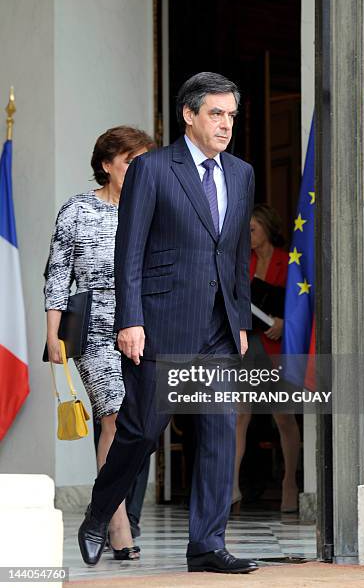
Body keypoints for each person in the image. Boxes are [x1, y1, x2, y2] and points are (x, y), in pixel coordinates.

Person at [78, 72, 259, 574]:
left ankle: (206, 544)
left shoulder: (241, 173)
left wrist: (239, 317)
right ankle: (98, 514)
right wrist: (129, 319)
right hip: (162, 320)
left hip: (220, 326)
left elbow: (238, 251)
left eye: (231, 116)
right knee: (140, 431)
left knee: (220, 432)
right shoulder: (154, 169)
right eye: (216, 114)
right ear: (189, 114)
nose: (225, 125)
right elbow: (128, 250)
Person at [45, 126, 155, 560]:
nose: (138, 169)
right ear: (107, 164)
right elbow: (58, 273)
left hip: (144, 323)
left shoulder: (152, 209)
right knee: (112, 417)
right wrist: (52, 334)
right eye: (131, 160)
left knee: (141, 423)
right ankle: (117, 527)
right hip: (93, 323)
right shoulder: (76, 209)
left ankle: (108, 512)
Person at [232, 204, 301, 513]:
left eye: (252, 229)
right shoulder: (241, 263)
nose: (248, 235)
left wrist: (285, 324)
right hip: (249, 346)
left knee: (283, 416)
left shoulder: (289, 263)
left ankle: (289, 482)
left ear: (267, 229)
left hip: (278, 347)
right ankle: (231, 486)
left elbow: (300, 306)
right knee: (240, 415)